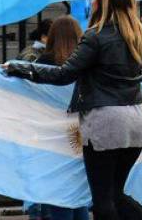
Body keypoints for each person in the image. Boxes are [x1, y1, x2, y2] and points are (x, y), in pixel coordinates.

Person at [4, 0, 142, 220]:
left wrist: (20, 68)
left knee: (102, 199)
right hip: (137, 119)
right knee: (117, 194)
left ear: (103, 2)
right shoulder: (137, 36)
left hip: (105, 121)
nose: (92, 1)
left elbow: (65, 74)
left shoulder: (95, 36)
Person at [25, 15, 91, 220]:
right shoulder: (84, 61)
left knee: (55, 191)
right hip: (77, 131)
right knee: (77, 190)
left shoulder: (44, 62)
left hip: (50, 134)